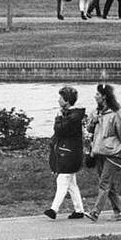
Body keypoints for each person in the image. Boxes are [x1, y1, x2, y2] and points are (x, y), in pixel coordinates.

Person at [85, 84, 121, 222]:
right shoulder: (96, 112)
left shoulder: (115, 113)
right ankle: (118, 212)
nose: (95, 96)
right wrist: (93, 122)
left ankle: (95, 212)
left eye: (97, 94)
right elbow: (89, 130)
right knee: (109, 185)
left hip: (113, 153)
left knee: (104, 183)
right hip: (99, 152)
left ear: (104, 96)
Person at [44, 86, 86, 220]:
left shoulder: (72, 117)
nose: (58, 100)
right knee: (71, 184)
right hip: (70, 153)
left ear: (67, 101)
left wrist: (58, 118)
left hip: (69, 154)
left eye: (60, 98)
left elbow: (60, 130)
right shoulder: (73, 115)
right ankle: (79, 210)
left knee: (62, 180)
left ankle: (53, 209)